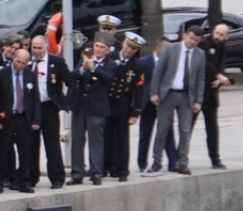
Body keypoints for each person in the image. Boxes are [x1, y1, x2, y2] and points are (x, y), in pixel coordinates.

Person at [147, 26, 206, 175]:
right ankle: (157, 161)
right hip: (168, 94)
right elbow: (158, 70)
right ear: (185, 35)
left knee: (185, 130)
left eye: (196, 40)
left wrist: (198, 100)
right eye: (191, 38)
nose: (192, 42)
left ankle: (183, 162)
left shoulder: (200, 54)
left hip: (187, 96)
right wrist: (154, 92)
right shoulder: (171, 49)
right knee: (163, 128)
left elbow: (201, 78)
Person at [68, 41, 116, 185]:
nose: (98, 49)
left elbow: (108, 79)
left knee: (96, 141)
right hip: (81, 105)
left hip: (96, 107)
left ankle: (96, 173)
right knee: (77, 139)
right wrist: (83, 69)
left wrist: (93, 68)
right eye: (97, 46)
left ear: (107, 50)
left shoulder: (110, 64)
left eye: (102, 47)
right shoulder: (86, 58)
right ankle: (77, 173)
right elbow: (73, 76)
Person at [27, 35, 71, 188]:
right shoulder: (27, 61)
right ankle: (31, 177)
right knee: (32, 144)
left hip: (49, 107)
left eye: (39, 48)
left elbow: (71, 80)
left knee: (52, 144)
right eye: (34, 47)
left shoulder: (57, 62)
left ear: (46, 47)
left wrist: (65, 101)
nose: (36, 51)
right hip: (32, 108)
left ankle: (57, 177)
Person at [0, 49, 41, 192]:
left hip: (24, 117)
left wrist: (36, 120)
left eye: (24, 63)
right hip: (7, 116)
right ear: (14, 58)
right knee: (3, 150)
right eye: (18, 61)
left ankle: (24, 182)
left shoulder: (30, 75)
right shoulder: (2, 74)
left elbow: (35, 99)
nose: (20, 65)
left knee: (25, 151)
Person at [105, 33, 147, 181]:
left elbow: (139, 90)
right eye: (128, 46)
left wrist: (135, 112)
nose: (129, 50)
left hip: (123, 105)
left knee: (122, 139)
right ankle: (106, 167)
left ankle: (122, 170)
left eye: (134, 49)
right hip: (107, 103)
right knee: (106, 136)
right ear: (123, 43)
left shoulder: (138, 65)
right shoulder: (110, 57)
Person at [136, 38, 177, 173]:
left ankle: (173, 162)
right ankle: (142, 162)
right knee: (145, 133)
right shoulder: (144, 62)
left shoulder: (170, 63)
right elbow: (141, 84)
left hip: (164, 103)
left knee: (167, 133)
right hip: (148, 104)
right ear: (158, 48)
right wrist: (152, 94)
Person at [195, 24, 231, 170]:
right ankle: (180, 159)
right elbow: (205, 63)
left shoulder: (223, 48)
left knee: (213, 128)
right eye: (217, 33)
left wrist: (218, 81)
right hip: (199, 93)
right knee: (187, 127)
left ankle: (215, 158)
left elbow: (221, 66)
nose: (218, 36)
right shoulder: (203, 44)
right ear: (212, 32)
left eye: (222, 34)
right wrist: (218, 75)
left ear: (226, 37)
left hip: (212, 93)